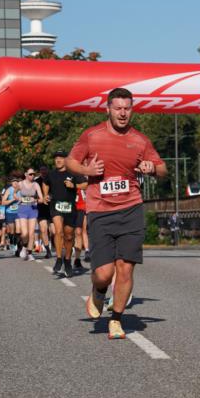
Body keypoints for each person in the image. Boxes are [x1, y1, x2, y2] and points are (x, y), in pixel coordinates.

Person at [67, 87, 166, 340]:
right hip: (100, 210)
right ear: (108, 109)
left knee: (125, 269)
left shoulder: (140, 140)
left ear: (132, 110)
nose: (123, 113)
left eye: (127, 108)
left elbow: (162, 168)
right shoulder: (92, 136)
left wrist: (151, 168)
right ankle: (99, 292)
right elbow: (71, 162)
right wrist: (86, 169)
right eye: (118, 108)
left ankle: (116, 319)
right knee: (103, 274)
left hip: (131, 208)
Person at [47, 150, 87, 277]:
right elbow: (45, 184)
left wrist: (74, 185)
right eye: (56, 158)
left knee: (69, 236)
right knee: (58, 231)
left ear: (66, 159)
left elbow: (86, 184)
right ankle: (59, 259)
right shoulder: (51, 174)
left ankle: (68, 260)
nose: (58, 160)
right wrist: (45, 196)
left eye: (61, 158)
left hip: (70, 207)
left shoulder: (73, 172)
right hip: (56, 206)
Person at [15, 167, 43, 260]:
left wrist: (35, 199)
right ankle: (23, 247)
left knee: (31, 233)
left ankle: (30, 253)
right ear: (26, 174)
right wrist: (17, 198)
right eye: (30, 174)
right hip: (22, 209)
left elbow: (41, 199)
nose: (32, 176)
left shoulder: (36, 185)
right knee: (25, 233)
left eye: (33, 174)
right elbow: (15, 193)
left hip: (32, 209)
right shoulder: (20, 183)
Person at [36, 165, 52, 259]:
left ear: (47, 170)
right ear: (39, 172)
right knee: (43, 229)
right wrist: (40, 199)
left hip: (51, 207)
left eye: (45, 170)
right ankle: (48, 251)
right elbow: (33, 195)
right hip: (41, 208)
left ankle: (54, 243)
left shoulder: (52, 179)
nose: (43, 172)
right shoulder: (36, 182)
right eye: (41, 170)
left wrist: (51, 197)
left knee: (53, 231)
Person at [2, 174, 20, 251]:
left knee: (18, 230)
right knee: (12, 230)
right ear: (11, 183)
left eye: (16, 181)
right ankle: (12, 242)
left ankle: (17, 244)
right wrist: (13, 200)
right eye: (14, 182)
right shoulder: (9, 190)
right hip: (10, 212)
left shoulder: (20, 189)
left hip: (19, 212)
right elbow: (3, 202)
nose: (15, 183)